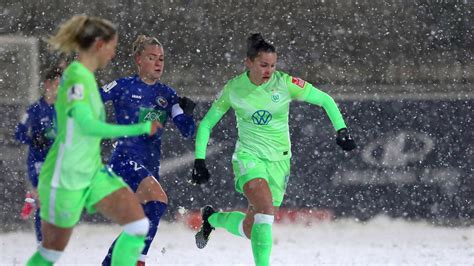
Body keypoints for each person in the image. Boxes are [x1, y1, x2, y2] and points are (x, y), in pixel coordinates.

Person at [191, 33, 356, 266]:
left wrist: (341, 129)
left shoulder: (285, 83)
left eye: (273, 65)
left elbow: (325, 100)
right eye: (263, 65)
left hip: (279, 161)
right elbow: (207, 123)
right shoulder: (234, 89)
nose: (269, 70)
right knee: (265, 212)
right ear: (249, 62)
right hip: (249, 157)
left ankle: (212, 219)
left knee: (253, 228)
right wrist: (199, 159)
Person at [26, 15, 162, 266]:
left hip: (92, 172)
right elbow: (86, 125)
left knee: (138, 224)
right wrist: (141, 127)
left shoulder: (87, 77)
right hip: (66, 177)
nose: (113, 54)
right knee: (50, 252)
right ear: (99, 44)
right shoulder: (76, 77)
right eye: (112, 47)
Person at [100, 35, 196, 266]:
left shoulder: (168, 94)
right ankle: (138, 261)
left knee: (139, 224)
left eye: (161, 58)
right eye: (152, 58)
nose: (158, 63)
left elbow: (186, 130)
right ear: (138, 60)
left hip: (149, 164)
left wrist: (187, 113)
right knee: (159, 201)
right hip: (124, 159)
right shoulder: (122, 86)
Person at [15, 66, 62, 243]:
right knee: (43, 203)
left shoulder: (62, 110)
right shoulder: (34, 110)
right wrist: (33, 140)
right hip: (38, 161)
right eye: (58, 84)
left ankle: (31, 198)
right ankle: (41, 243)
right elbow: (18, 134)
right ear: (48, 84)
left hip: (57, 162)